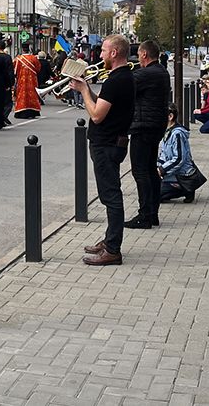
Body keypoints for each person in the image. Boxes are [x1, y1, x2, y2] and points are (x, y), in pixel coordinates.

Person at [73, 34, 135, 266]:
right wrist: (87, 88)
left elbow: (97, 115)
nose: (100, 55)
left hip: (106, 144)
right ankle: (110, 240)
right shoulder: (122, 77)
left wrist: (83, 91)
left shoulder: (116, 80)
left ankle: (113, 249)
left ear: (114, 53)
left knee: (111, 196)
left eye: (103, 51)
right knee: (110, 194)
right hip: (112, 142)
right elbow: (103, 103)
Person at [125, 40, 169, 230]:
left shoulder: (146, 73)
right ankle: (152, 214)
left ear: (144, 54)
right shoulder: (161, 71)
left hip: (143, 126)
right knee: (151, 170)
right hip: (156, 125)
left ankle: (144, 215)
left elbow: (125, 87)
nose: (137, 58)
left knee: (140, 171)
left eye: (139, 55)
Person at [158, 103, 196, 203]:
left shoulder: (177, 134)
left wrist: (161, 170)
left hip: (182, 175)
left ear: (170, 116)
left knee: (153, 194)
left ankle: (186, 188)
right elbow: (163, 155)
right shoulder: (167, 132)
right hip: (172, 173)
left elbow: (179, 159)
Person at [12, 42, 41, 119]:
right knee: (32, 95)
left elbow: (15, 71)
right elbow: (38, 68)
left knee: (22, 95)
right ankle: (33, 111)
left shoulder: (18, 59)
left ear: (22, 49)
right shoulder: (34, 58)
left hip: (22, 80)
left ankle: (21, 111)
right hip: (32, 81)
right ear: (29, 49)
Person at [0, 40, 14, 125]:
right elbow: (10, 71)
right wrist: (11, 83)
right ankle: (4, 116)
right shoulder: (7, 57)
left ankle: (0, 117)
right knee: (8, 102)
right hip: (6, 82)